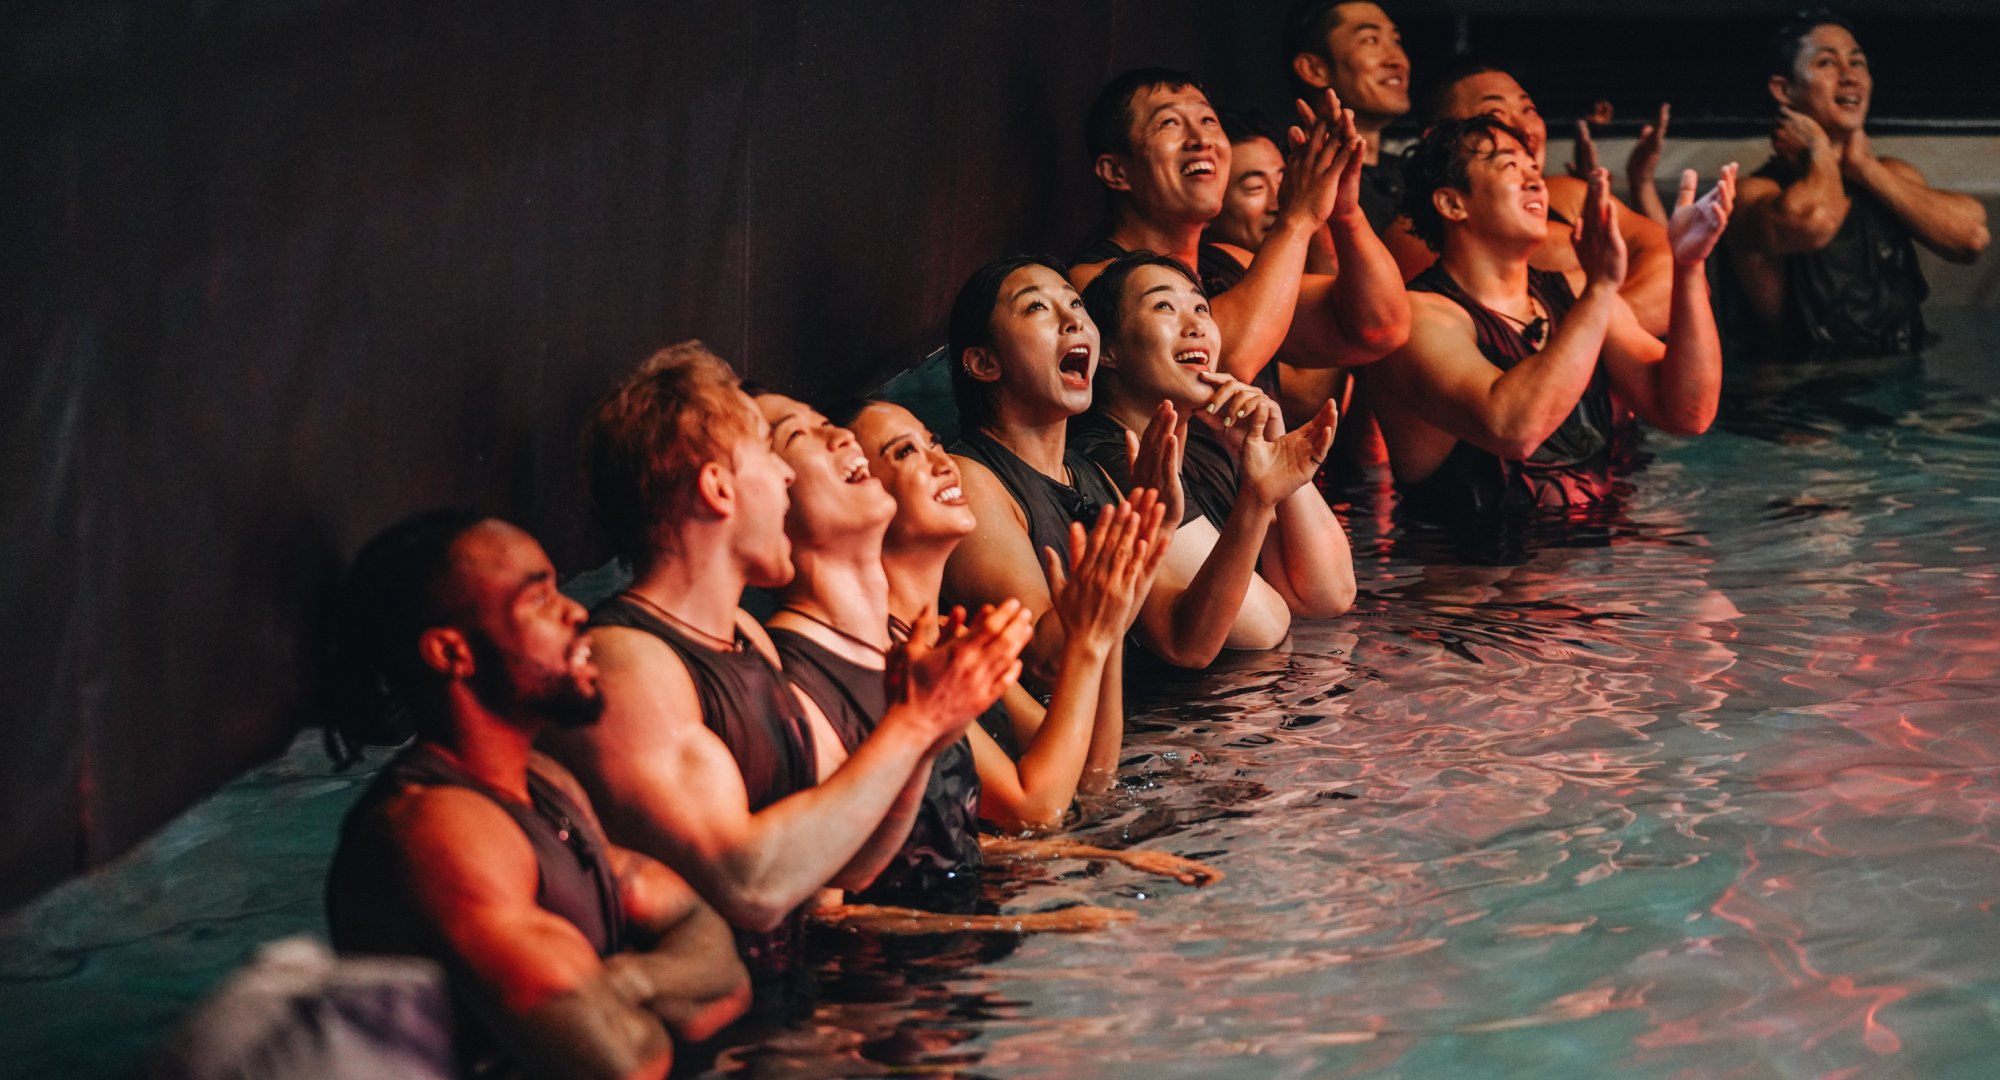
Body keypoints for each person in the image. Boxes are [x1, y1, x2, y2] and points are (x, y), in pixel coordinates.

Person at [547, 342, 1032, 1004]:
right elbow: (752, 885)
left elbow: (849, 865)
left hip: (797, 1009)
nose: (785, 478)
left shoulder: (745, 639)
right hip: (724, 1039)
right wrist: (916, 724)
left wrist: (927, 731)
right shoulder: (629, 662)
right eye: (770, 456)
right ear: (718, 488)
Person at [754, 392, 1213, 930]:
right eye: (904, 452)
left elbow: (1091, 772)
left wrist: (1108, 620)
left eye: (932, 442)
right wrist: (1090, 640)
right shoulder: (845, 658)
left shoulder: (931, 634)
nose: (942, 461)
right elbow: (1034, 807)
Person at [323, 510, 750, 1079]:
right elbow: (625, 1062)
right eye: (540, 599)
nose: (576, 612)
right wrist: (665, 994)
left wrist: (627, 981)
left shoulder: (545, 784)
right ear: (452, 653)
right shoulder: (440, 833)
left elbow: (718, 957)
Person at [1368, 116, 1736, 525]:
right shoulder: (1419, 318)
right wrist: (1601, 288)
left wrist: (1690, 267)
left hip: (1600, 554)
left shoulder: (1576, 293)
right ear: (1452, 204)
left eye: (1533, 168)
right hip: (1472, 563)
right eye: (1510, 166)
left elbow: (1688, 414)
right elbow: (1513, 430)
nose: (1536, 182)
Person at [943, 255, 1291, 680]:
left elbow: (1187, 642)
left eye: (1075, 304)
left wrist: (1256, 500)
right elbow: (1047, 662)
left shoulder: (1091, 476)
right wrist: (1143, 536)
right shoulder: (971, 482)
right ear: (984, 363)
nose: (1073, 321)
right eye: (1036, 307)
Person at [1069, 68, 1409, 387]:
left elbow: (1380, 329)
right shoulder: (1094, 281)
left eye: (1207, 120)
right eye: (1169, 123)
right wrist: (1296, 220)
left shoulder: (1232, 265)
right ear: (1116, 172)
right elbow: (1223, 365)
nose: (1201, 140)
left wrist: (1345, 213)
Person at [1073, 251, 1355, 620]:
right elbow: (1262, 623)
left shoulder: (1207, 452)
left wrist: (1276, 454)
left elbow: (1328, 596)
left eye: (1201, 308)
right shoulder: (1112, 458)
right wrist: (1257, 497)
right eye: (1163, 306)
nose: (1196, 326)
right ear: (1107, 350)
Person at [1726, 10, 1988, 360]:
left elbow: (1971, 238)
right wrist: (1819, 149)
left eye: (1857, 63)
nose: (1850, 77)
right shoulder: (1751, 195)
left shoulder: (1888, 176)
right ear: (1783, 89)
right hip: (1804, 388)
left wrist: (1864, 167)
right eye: (1826, 63)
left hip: (1901, 382)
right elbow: (1816, 222)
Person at [1410, 60, 1677, 336]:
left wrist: (1601, 322)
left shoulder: (1568, 194)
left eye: (1529, 110)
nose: (1524, 128)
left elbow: (1671, 262)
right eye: (1494, 114)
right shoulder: (1426, 240)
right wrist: (1590, 327)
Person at [1282, 0, 1412, 235]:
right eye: (1370, 40)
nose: (1398, 61)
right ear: (1313, 69)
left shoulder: (1413, 173)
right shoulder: (1289, 178)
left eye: (1396, 41)